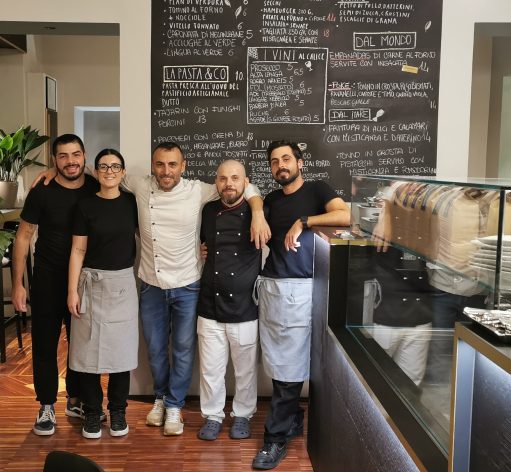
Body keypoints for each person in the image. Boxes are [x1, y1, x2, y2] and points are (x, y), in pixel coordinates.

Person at [35, 141, 269, 436]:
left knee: (183, 350)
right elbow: (101, 172)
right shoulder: (139, 185)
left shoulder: (199, 190)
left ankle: (175, 405)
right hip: (151, 284)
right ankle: (159, 398)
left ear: (183, 167)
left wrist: (257, 211)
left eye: (172, 164)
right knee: (156, 350)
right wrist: (53, 170)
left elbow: (241, 185)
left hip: (188, 285)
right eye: (160, 164)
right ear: (152, 167)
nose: (166, 171)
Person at [252, 140, 350, 470]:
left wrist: (304, 221)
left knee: (290, 367)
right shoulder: (270, 200)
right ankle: (293, 418)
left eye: (286, 159)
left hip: (303, 290)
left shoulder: (318, 190)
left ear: (300, 162)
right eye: (274, 161)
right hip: (274, 289)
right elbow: (251, 211)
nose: (280, 165)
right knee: (281, 363)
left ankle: (275, 438)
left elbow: (345, 215)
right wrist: (256, 210)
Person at [12, 134, 99, 436]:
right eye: (63, 156)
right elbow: (23, 236)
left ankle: (75, 400)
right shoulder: (42, 191)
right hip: (47, 278)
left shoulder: (95, 186)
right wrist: (18, 284)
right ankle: (47, 405)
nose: (70, 161)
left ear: (84, 156)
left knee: (81, 345)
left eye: (75, 154)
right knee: (45, 345)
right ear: (54, 160)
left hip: (84, 280)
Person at [67, 148, 140, 439]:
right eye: (104, 166)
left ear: (123, 172)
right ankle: (93, 411)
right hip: (91, 284)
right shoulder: (85, 206)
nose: (109, 171)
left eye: (115, 166)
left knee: (121, 354)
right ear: (96, 172)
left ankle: (118, 410)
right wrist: (72, 291)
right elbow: (78, 250)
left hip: (123, 285)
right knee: (87, 354)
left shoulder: (132, 203)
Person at [195, 160, 261, 441]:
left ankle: (243, 415)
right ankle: (212, 415)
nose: (228, 184)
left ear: (246, 182)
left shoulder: (258, 211)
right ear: (216, 182)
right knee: (210, 369)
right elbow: (203, 243)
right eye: (223, 179)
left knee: (245, 370)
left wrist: (258, 212)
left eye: (235, 178)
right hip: (209, 303)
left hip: (245, 306)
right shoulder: (208, 210)